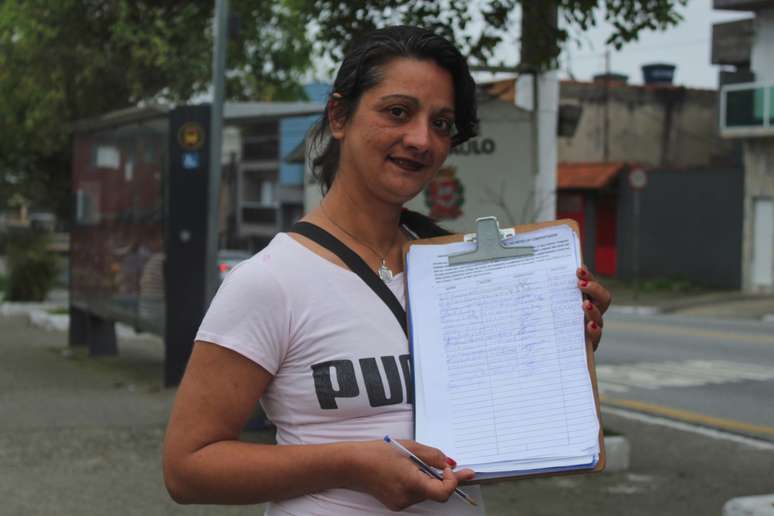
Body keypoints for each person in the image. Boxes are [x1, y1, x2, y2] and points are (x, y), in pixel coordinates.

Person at [163, 25, 612, 515]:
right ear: (339, 115)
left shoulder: (456, 275)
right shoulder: (270, 281)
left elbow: (500, 428)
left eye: (441, 124)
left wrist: (559, 350)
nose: (421, 139)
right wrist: (354, 464)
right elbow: (188, 468)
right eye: (397, 112)